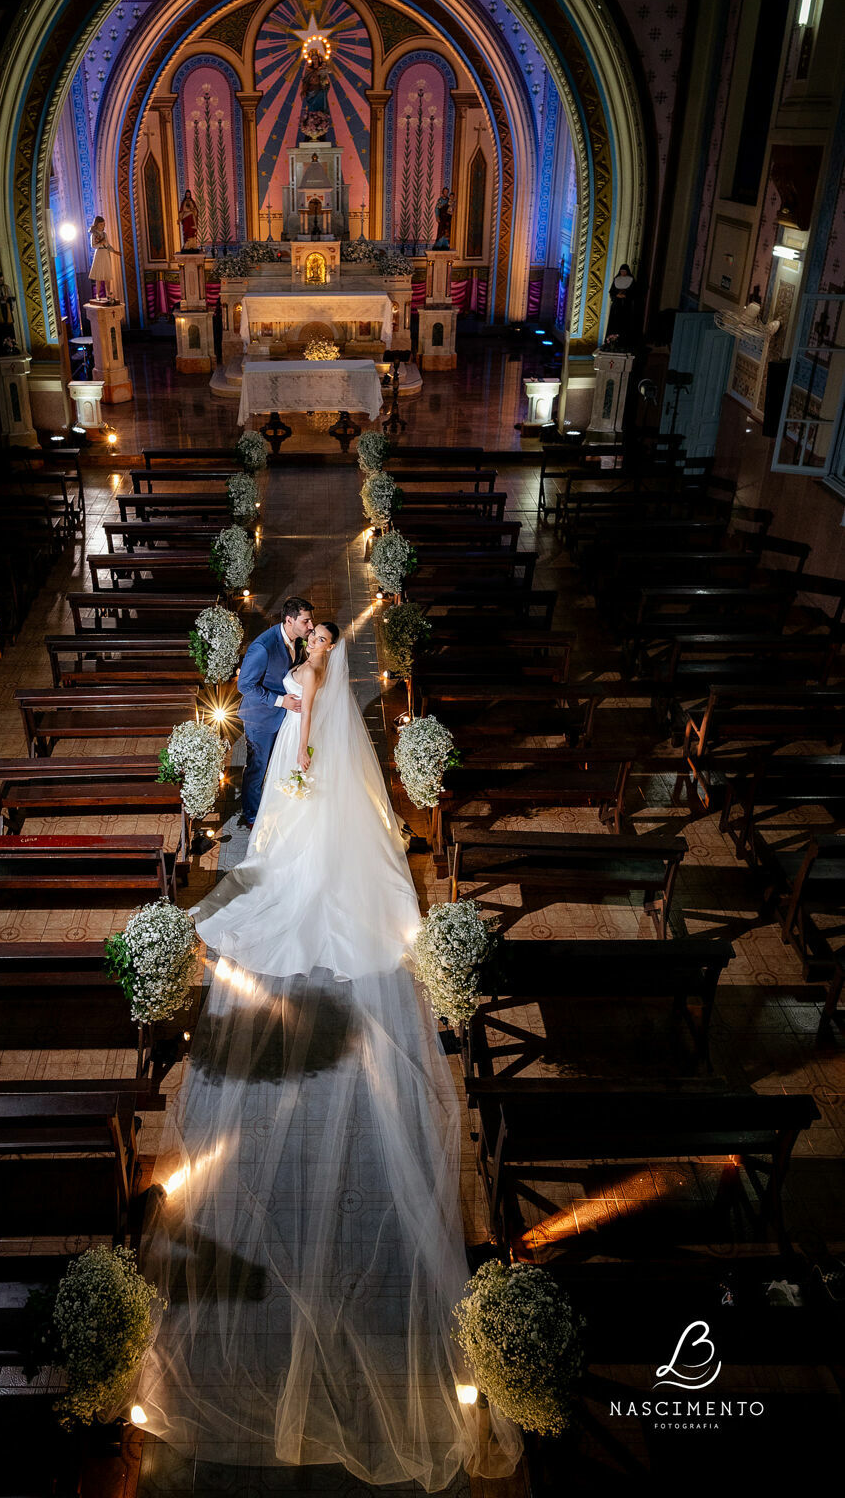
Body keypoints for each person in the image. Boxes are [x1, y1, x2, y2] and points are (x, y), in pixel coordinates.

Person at [137, 615, 523, 1489]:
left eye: (309, 635)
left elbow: (302, 755)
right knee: (314, 888)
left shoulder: (309, 684)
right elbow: (321, 740)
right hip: (333, 813)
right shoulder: (328, 677)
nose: (309, 638)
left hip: (303, 804)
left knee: (277, 891)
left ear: (311, 649)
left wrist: (293, 764)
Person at [233, 595, 314, 826]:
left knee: (280, 762)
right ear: (289, 620)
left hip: (286, 718)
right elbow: (245, 685)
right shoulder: (262, 648)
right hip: (261, 719)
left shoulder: (296, 639)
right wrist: (280, 701)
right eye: (305, 622)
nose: (310, 626)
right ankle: (251, 816)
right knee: (258, 768)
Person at [87, 216, 118, 301]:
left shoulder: (104, 234)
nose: (103, 226)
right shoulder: (94, 235)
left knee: (107, 275)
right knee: (99, 277)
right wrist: (101, 244)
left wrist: (114, 251)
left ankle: (108, 293)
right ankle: (98, 295)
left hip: (105, 254)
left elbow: (107, 245)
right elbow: (93, 246)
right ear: (97, 225)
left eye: (103, 224)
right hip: (99, 254)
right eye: (101, 224)